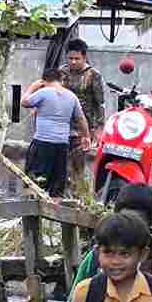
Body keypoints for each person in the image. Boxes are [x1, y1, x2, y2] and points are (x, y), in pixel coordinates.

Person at [70, 183, 152, 292]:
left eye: (138, 223)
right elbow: (74, 299)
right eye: (125, 220)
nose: (129, 229)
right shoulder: (97, 255)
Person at [22, 68, 89, 198]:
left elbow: (24, 102)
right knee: (57, 184)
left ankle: (32, 213)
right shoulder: (71, 96)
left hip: (42, 143)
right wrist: (86, 136)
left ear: (44, 81)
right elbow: (81, 118)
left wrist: (32, 87)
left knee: (33, 181)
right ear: (61, 81)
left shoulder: (44, 92)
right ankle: (54, 214)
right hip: (62, 145)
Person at [59, 38, 107, 195]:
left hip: (84, 128)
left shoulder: (93, 75)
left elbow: (100, 104)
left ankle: (80, 197)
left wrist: (99, 129)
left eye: (77, 59)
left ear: (84, 57)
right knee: (61, 165)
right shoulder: (62, 73)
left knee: (79, 165)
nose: (73, 62)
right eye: (70, 58)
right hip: (63, 125)